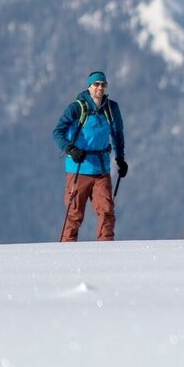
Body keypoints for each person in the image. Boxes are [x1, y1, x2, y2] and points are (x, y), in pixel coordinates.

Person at [52, 71, 127, 242]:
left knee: (107, 211)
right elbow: (58, 132)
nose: (100, 88)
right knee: (74, 214)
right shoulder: (76, 108)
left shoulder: (111, 108)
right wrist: (70, 149)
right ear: (89, 86)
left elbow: (117, 134)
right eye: (96, 84)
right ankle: (66, 252)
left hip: (101, 169)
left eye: (103, 84)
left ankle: (105, 250)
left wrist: (120, 159)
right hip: (78, 168)